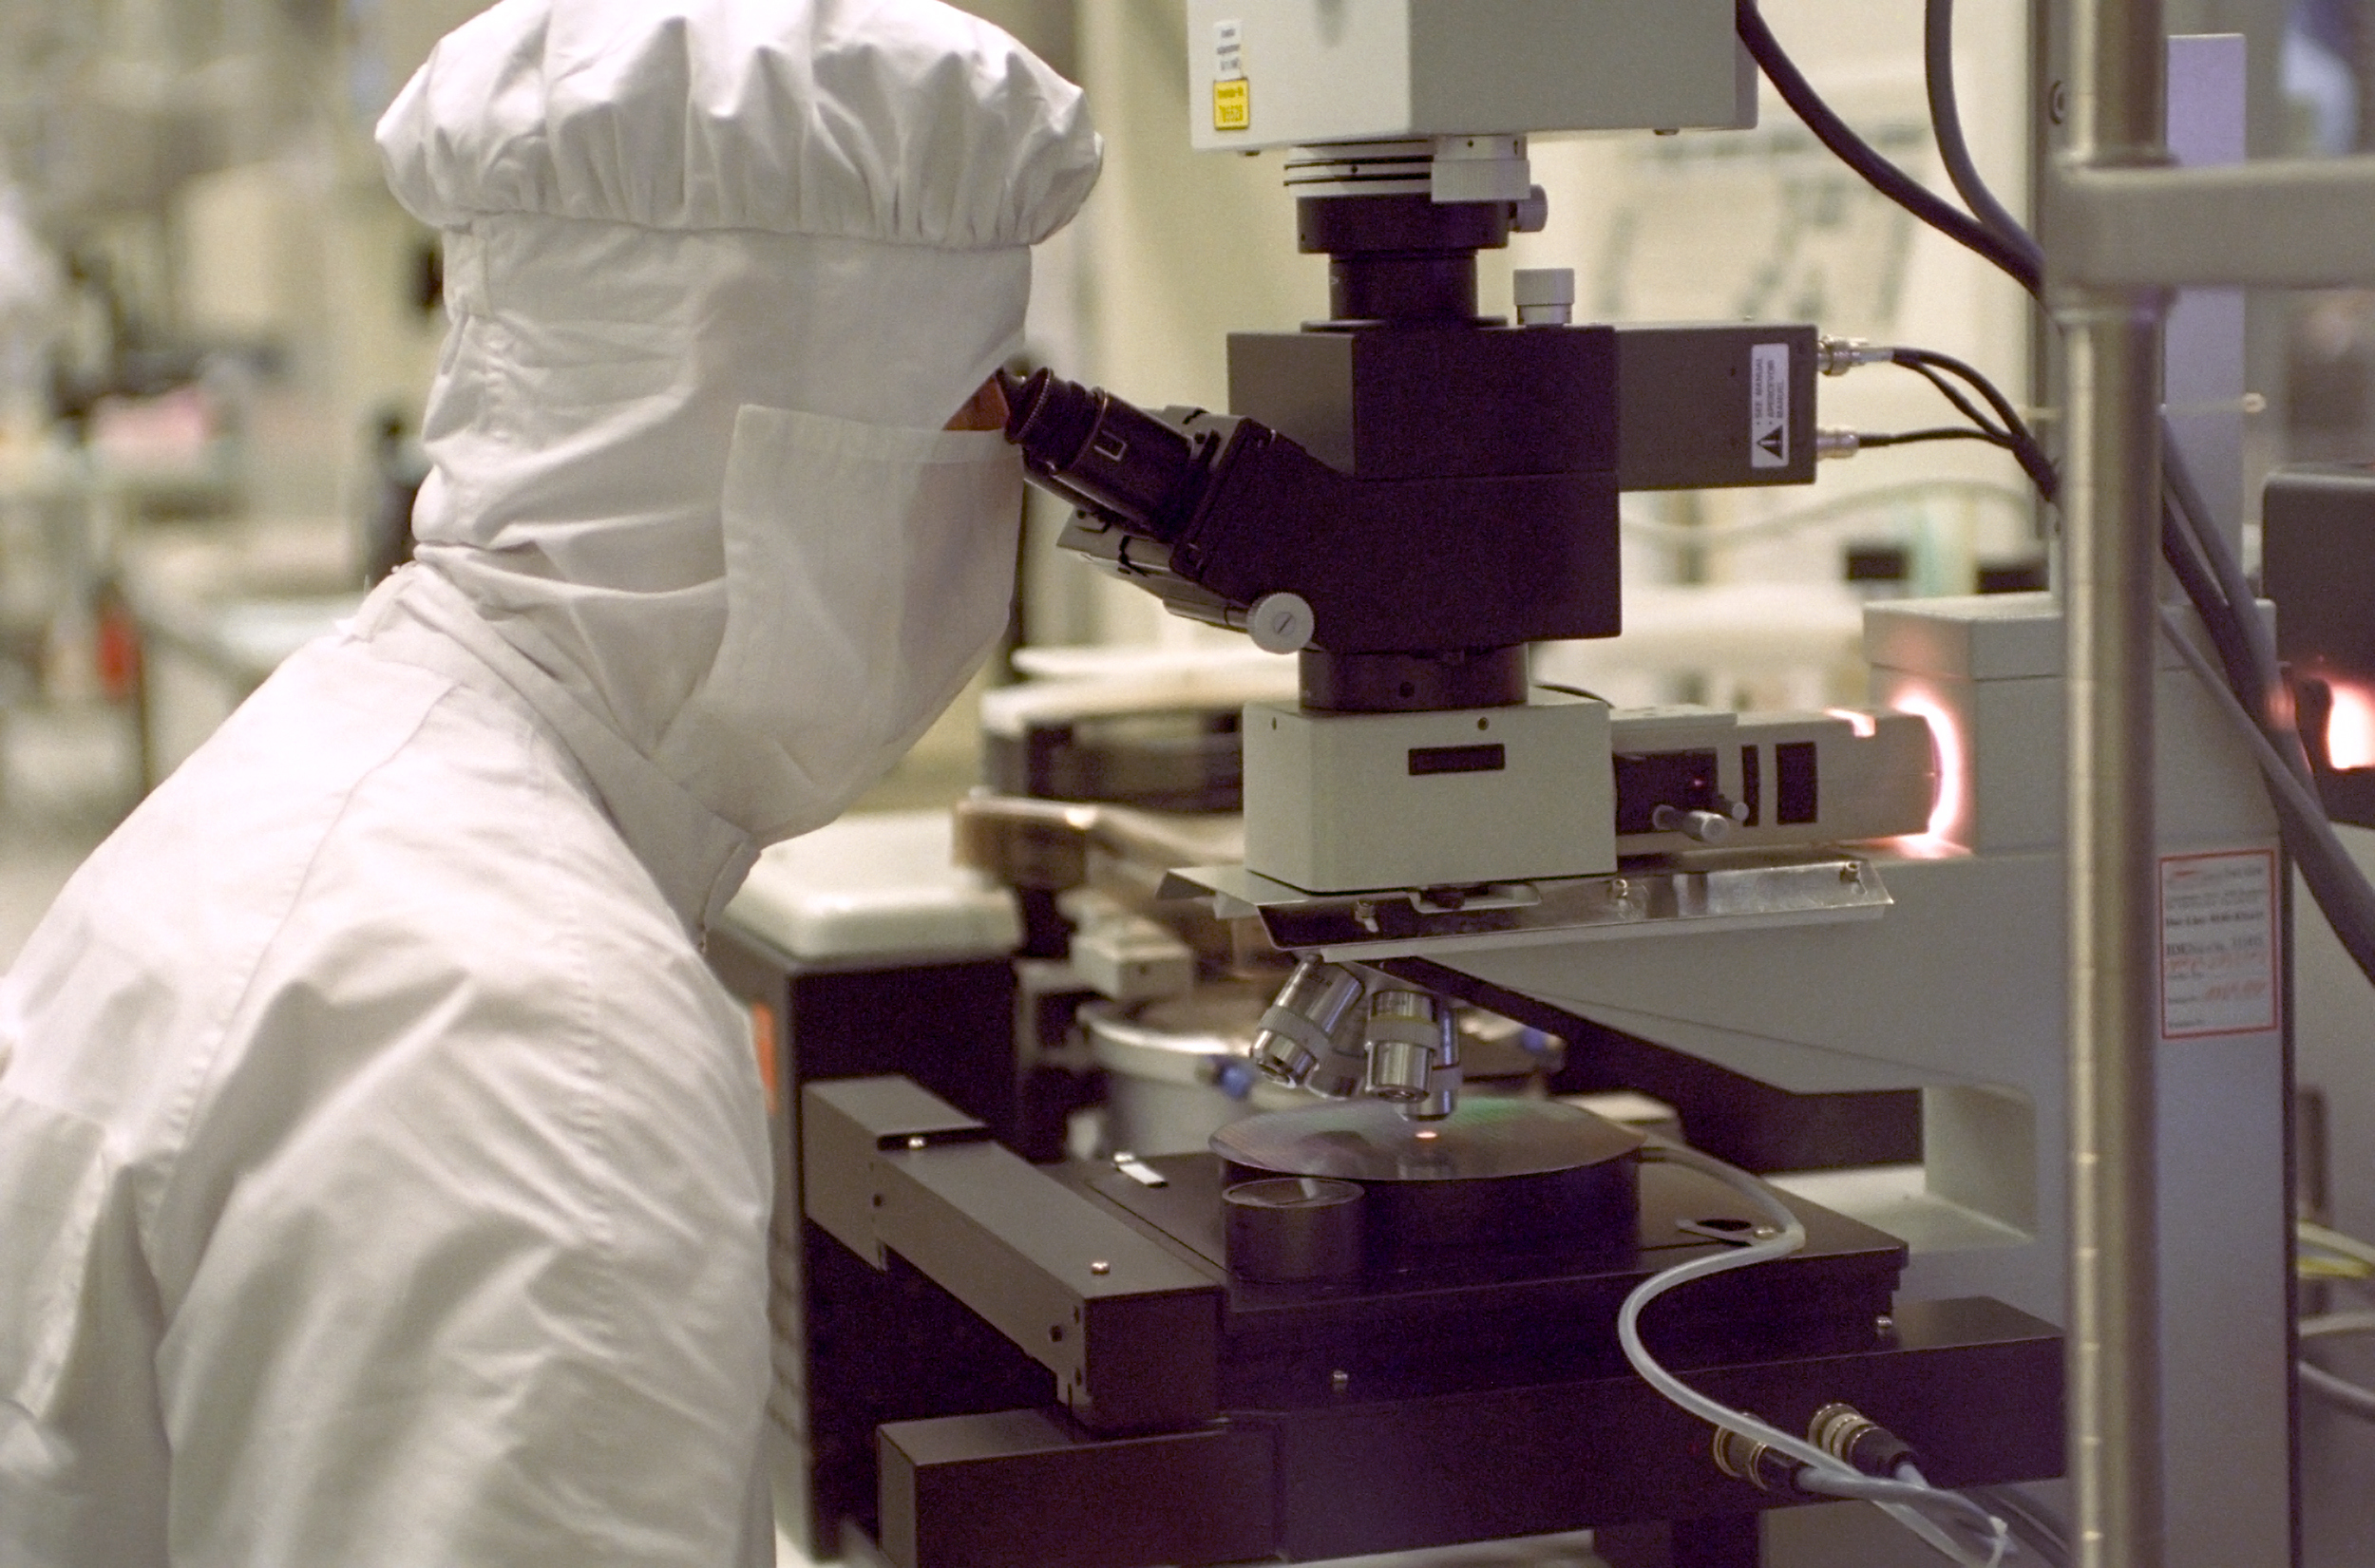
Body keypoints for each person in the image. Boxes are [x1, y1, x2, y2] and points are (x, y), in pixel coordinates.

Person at [0, 2, 1098, 1563]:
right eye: (974, 421)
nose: (991, 501)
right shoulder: (534, 1048)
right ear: (788, 448)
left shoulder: (356, 774)